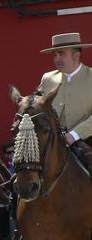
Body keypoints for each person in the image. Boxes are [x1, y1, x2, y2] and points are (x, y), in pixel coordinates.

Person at [38, 32, 92, 173]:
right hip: (53, 143)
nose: (56, 59)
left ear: (76, 55)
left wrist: (74, 135)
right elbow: (37, 107)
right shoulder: (48, 78)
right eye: (54, 55)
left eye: (61, 54)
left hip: (88, 140)